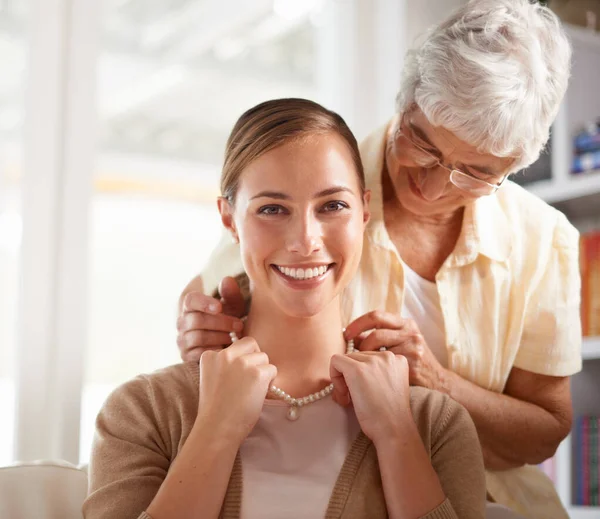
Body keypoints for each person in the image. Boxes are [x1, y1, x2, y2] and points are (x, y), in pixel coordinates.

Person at [176, 1, 581, 519]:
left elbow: (544, 433)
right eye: (423, 143)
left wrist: (434, 383)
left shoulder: (544, 241)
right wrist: (195, 331)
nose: (432, 186)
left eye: (474, 173)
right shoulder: (316, 189)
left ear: (514, 166)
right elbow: (202, 299)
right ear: (405, 102)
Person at [84, 99, 486, 519]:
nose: (305, 240)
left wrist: (397, 437)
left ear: (364, 210)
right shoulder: (142, 411)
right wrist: (215, 431)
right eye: (272, 209)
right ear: (229, 221)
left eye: (332, 206)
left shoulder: (433, 423)